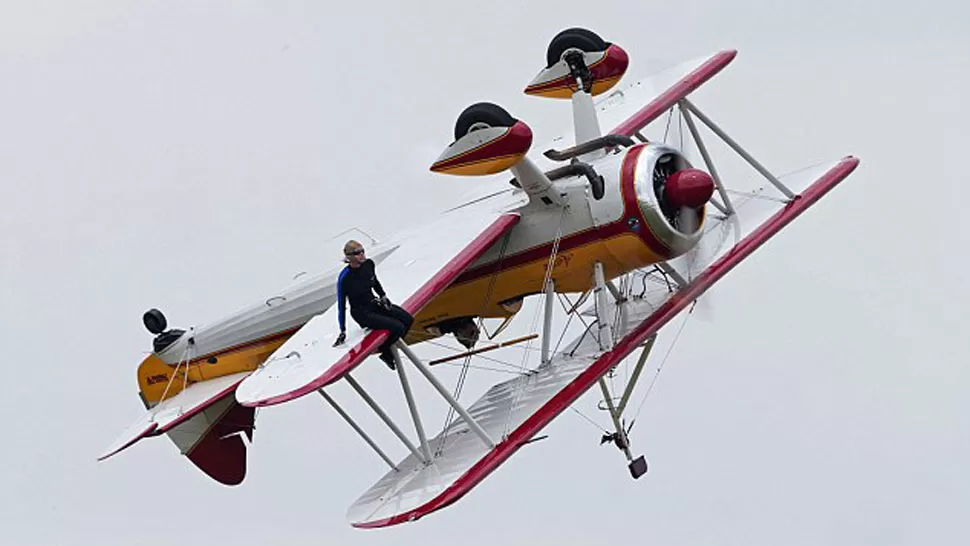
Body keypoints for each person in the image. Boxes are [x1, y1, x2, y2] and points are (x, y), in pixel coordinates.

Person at [332, 240, 414, 369]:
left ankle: (386, 352)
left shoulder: (369, 264)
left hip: (374, 303)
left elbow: (374, 281)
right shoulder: (345, 278)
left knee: (408, 319)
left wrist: (383, 296)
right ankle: (385, 353)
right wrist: (342, 330)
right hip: (362, 313)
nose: (362, 255)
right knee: (398, 327)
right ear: (349, 257)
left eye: (362, 251)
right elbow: (341, 305)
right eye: (357, 253)